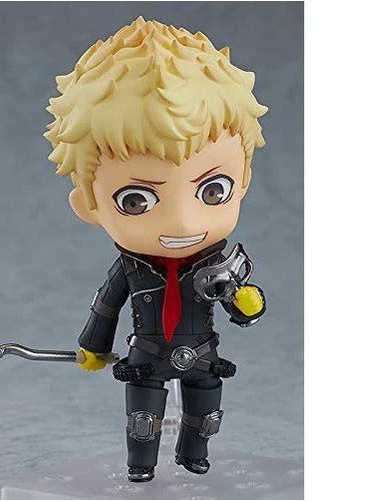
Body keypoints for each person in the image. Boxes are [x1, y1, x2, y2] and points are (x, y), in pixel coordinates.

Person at [44, 16, 268, 483]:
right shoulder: (130, 267)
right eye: (137, 200)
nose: (182, 223)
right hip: (145, 354)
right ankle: (141, 465)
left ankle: (193, 454)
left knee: (206, 412)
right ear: (88, 204)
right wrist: (93, 347)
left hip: (202, 351)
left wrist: (247, 302)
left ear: (243, 181)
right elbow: (106, 307)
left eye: (213, 190)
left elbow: (241, 306)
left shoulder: (219, 262)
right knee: (143, 420)